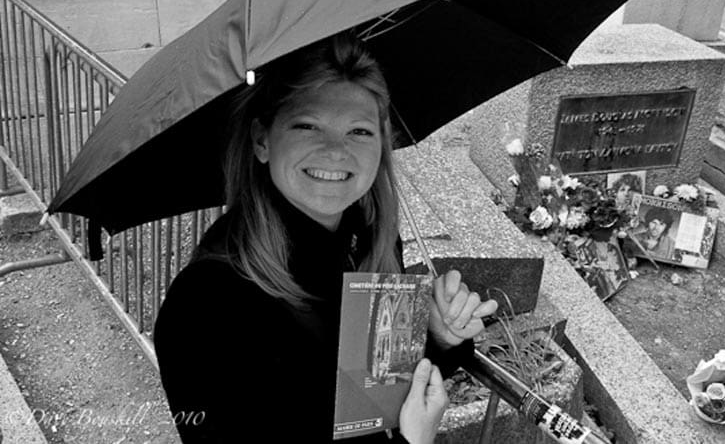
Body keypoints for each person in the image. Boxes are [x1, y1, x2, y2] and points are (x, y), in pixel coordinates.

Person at [153, 32, 497, 443]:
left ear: (383, 142)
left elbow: (376, 389)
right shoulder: (209, 302)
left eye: (359, 131)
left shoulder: (370, 237)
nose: (336, 151)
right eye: (308, 125)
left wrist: (438, 339)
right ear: (263, 139)